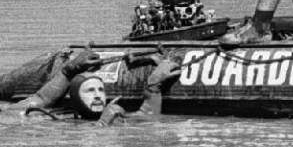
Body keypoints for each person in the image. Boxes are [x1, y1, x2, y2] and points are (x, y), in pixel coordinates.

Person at [19, 50, 181, 125]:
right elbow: (40, 101)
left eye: (101, 90)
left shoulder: (117, 115)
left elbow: (149, 117)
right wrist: (67, 72)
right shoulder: (62, 123)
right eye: (90, 91)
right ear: (75, 98)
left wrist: (153, 86)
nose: (97, 96)